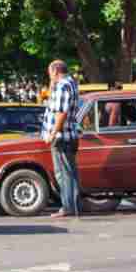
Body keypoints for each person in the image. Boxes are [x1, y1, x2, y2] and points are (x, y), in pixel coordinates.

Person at [42, 59, 82, 220]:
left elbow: (61, 112)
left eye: (50, 73)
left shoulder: (63, 85)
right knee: (69, 172)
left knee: (64, 173)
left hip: (62, 135)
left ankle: (68, 206)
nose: (49, 76)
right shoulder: (71, 83)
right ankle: (72, 205)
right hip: (68, 134)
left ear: (55, 71)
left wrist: (53, 133)